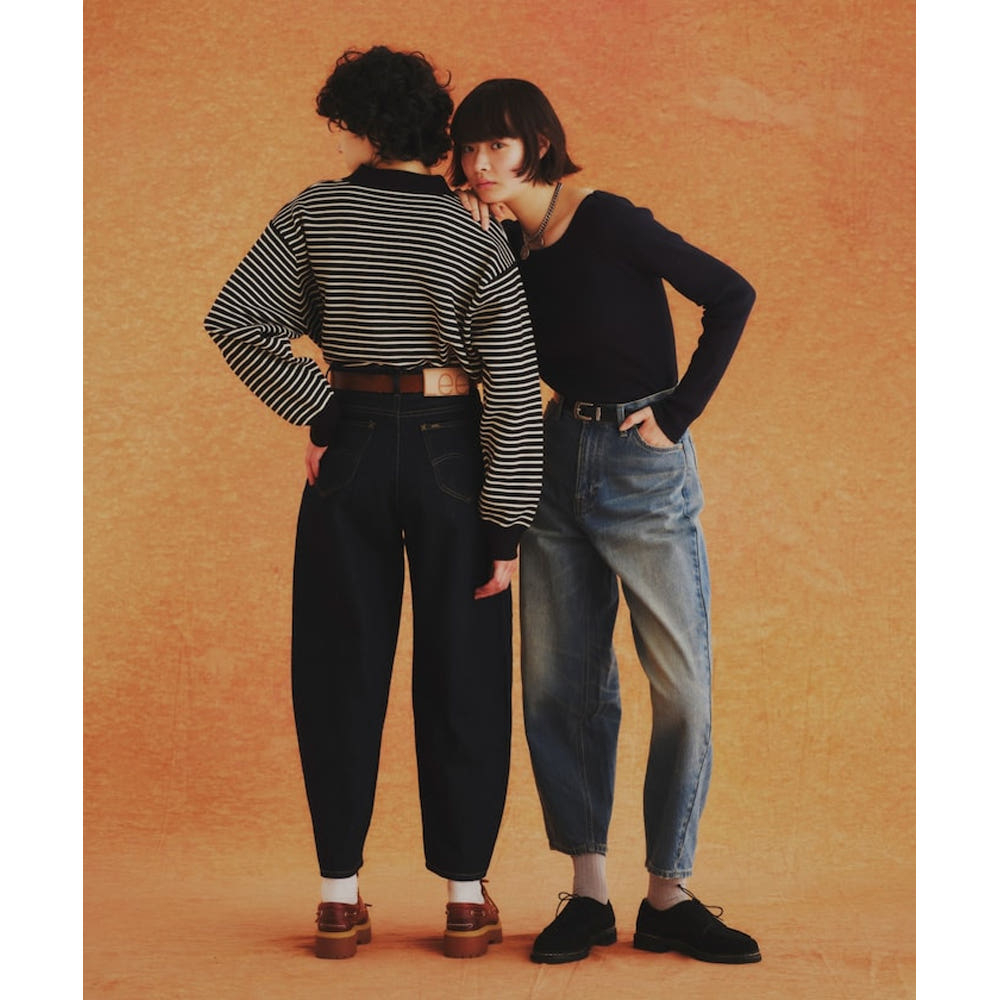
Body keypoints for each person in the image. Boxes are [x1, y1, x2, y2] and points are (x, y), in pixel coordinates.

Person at [204, 50, 543, 960]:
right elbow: (513, 387)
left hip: (349, 445)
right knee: (465, 669)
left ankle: (338, 897)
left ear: (359, 128)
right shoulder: (475, 232)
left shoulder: (314, 211)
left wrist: (320, 411)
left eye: (340, 126)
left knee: (337, 663)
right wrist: (507, 520)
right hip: (453, 451)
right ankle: (465, 900)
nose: (337, 142)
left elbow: (236, 322)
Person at [450, 78, 761, 965]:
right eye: (468, 148)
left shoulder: (609, 219)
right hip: (555, 463)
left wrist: (678, 414)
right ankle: (588, 895)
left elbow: (731, 294)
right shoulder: (506, 244)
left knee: (681, 688)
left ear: (539, 146)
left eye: (498, 146)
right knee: (562, 687)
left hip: (640, 465)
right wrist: (484, 253)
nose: (479, 164)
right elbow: (487, 357)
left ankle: (668, 896)